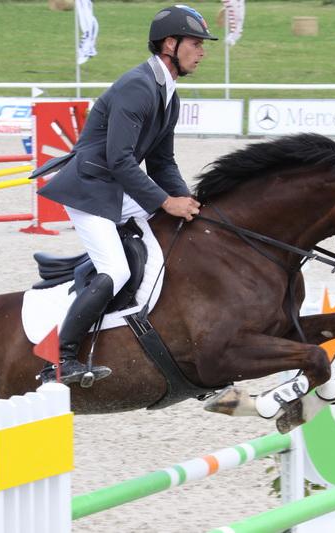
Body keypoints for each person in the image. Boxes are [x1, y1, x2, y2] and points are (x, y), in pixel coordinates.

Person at [37, 5, 217, 385]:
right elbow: (119, 159)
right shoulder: (138, 86)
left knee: (174, 225)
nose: (202, 52)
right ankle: (61, 359)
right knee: (116, 270)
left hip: (117, 188)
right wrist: (165, 201)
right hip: (91, 189)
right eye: (196, 44)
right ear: (170, 44)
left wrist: (187, 202)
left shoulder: (169, 95)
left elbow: (163, 162)